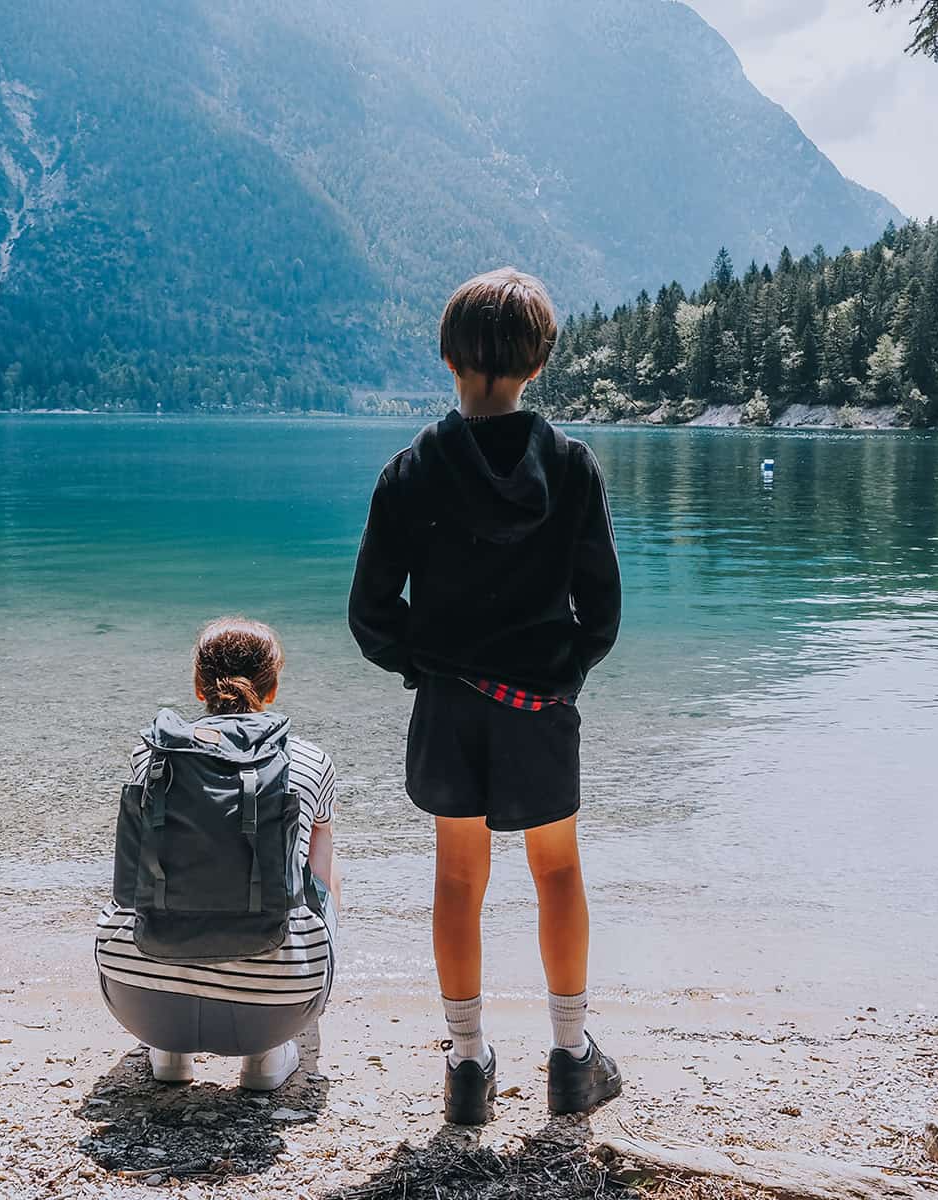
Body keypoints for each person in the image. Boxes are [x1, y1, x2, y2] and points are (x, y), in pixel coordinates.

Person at [348, 267, 624, 1125]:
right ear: (538, 364)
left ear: (447, 357)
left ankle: (467, 1067)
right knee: (558, 870)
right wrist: (561, 674)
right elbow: (602, 611)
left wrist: (427, 666)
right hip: (540, 707)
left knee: (459, 877)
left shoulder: (409, 473)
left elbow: (369, 615)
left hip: (448, 708)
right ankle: (571, 1057)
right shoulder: (571, 468)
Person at [95, 617, 340, 1091]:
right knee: (320, 872)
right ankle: (265, 1058)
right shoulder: (311, 761)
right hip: (277, 1008)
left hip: (138, 998)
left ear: (198, 685)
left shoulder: (150, 756)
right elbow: (320, 877)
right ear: (272, 689)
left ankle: (169, 1052)